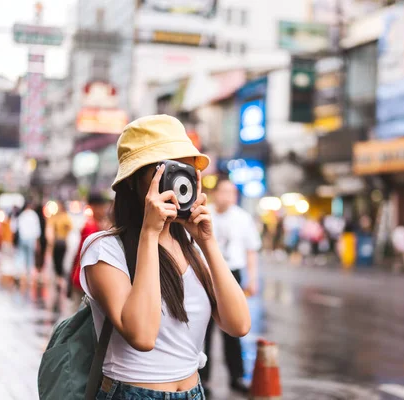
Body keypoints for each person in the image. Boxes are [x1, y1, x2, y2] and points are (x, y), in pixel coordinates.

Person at [80, 115, 250, 400]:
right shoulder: (104, 249)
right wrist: (149, 233)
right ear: (134, 182)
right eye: (166, 169)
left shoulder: (191, 248)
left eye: (184, 169)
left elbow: (238, 324)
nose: (178, 181)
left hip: (193, 392)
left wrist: (207, 242)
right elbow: (143, 336)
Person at [200, 178, 261, 395]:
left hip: (232, 274)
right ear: (216, 193)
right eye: (224, 191)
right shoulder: (203, 212)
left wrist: (252, 279)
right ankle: (202, 379)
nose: (228, 196)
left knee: (233, 329)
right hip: (205, 274)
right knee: (201, 328)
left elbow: (251, 250)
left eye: (232, 192)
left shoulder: (243, 218)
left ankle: (236, 376)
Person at [68, 192, 112, 309]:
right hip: (84, 280)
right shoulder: (91, 227)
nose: (104, 210)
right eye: (101, 207)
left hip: (86, 279)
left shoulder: (97, 225)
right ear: (93, 207)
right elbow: (82, 254)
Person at [48, 201, 73, 288]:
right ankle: (59, 277)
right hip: (59, 241)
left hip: (61, 240)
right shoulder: (59, 217)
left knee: (59, 260)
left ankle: (60, 278)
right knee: (57, 260)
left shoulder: (63, 217)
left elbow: (70, 227)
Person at [16, 202, 41, 282]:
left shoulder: (22, 215)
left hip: (23, 238)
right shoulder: (33, 215)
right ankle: (29, 276)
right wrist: (37, 241)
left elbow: (18, 228)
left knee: (22, 256)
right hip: (30, 238)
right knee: (30, 257)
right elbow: (37, 229)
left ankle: (22, 274)